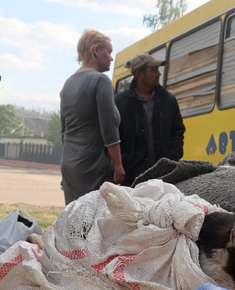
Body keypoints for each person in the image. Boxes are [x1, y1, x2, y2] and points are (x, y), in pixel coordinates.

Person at [60, 29, 124, 205]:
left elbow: (64, 131)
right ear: (96, 50)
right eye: (109, 52)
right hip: (93, 166)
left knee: (74, 221)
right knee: (94, 222)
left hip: (70, 166)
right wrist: (118, 164)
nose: (111, 57)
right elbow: (109, 127)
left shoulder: (68, 83)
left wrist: (65, 169)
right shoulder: (100, 81)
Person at [115, 54, 185, 186]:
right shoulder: (120, 102)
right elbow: (114, 137)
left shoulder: (168, 100)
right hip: (133, 179)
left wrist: (172, 157)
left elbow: (178, 131)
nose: (159, 74)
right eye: (153, 70)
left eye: (158, 70)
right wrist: (126, 162)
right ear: (139, 74)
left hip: (165, 177)